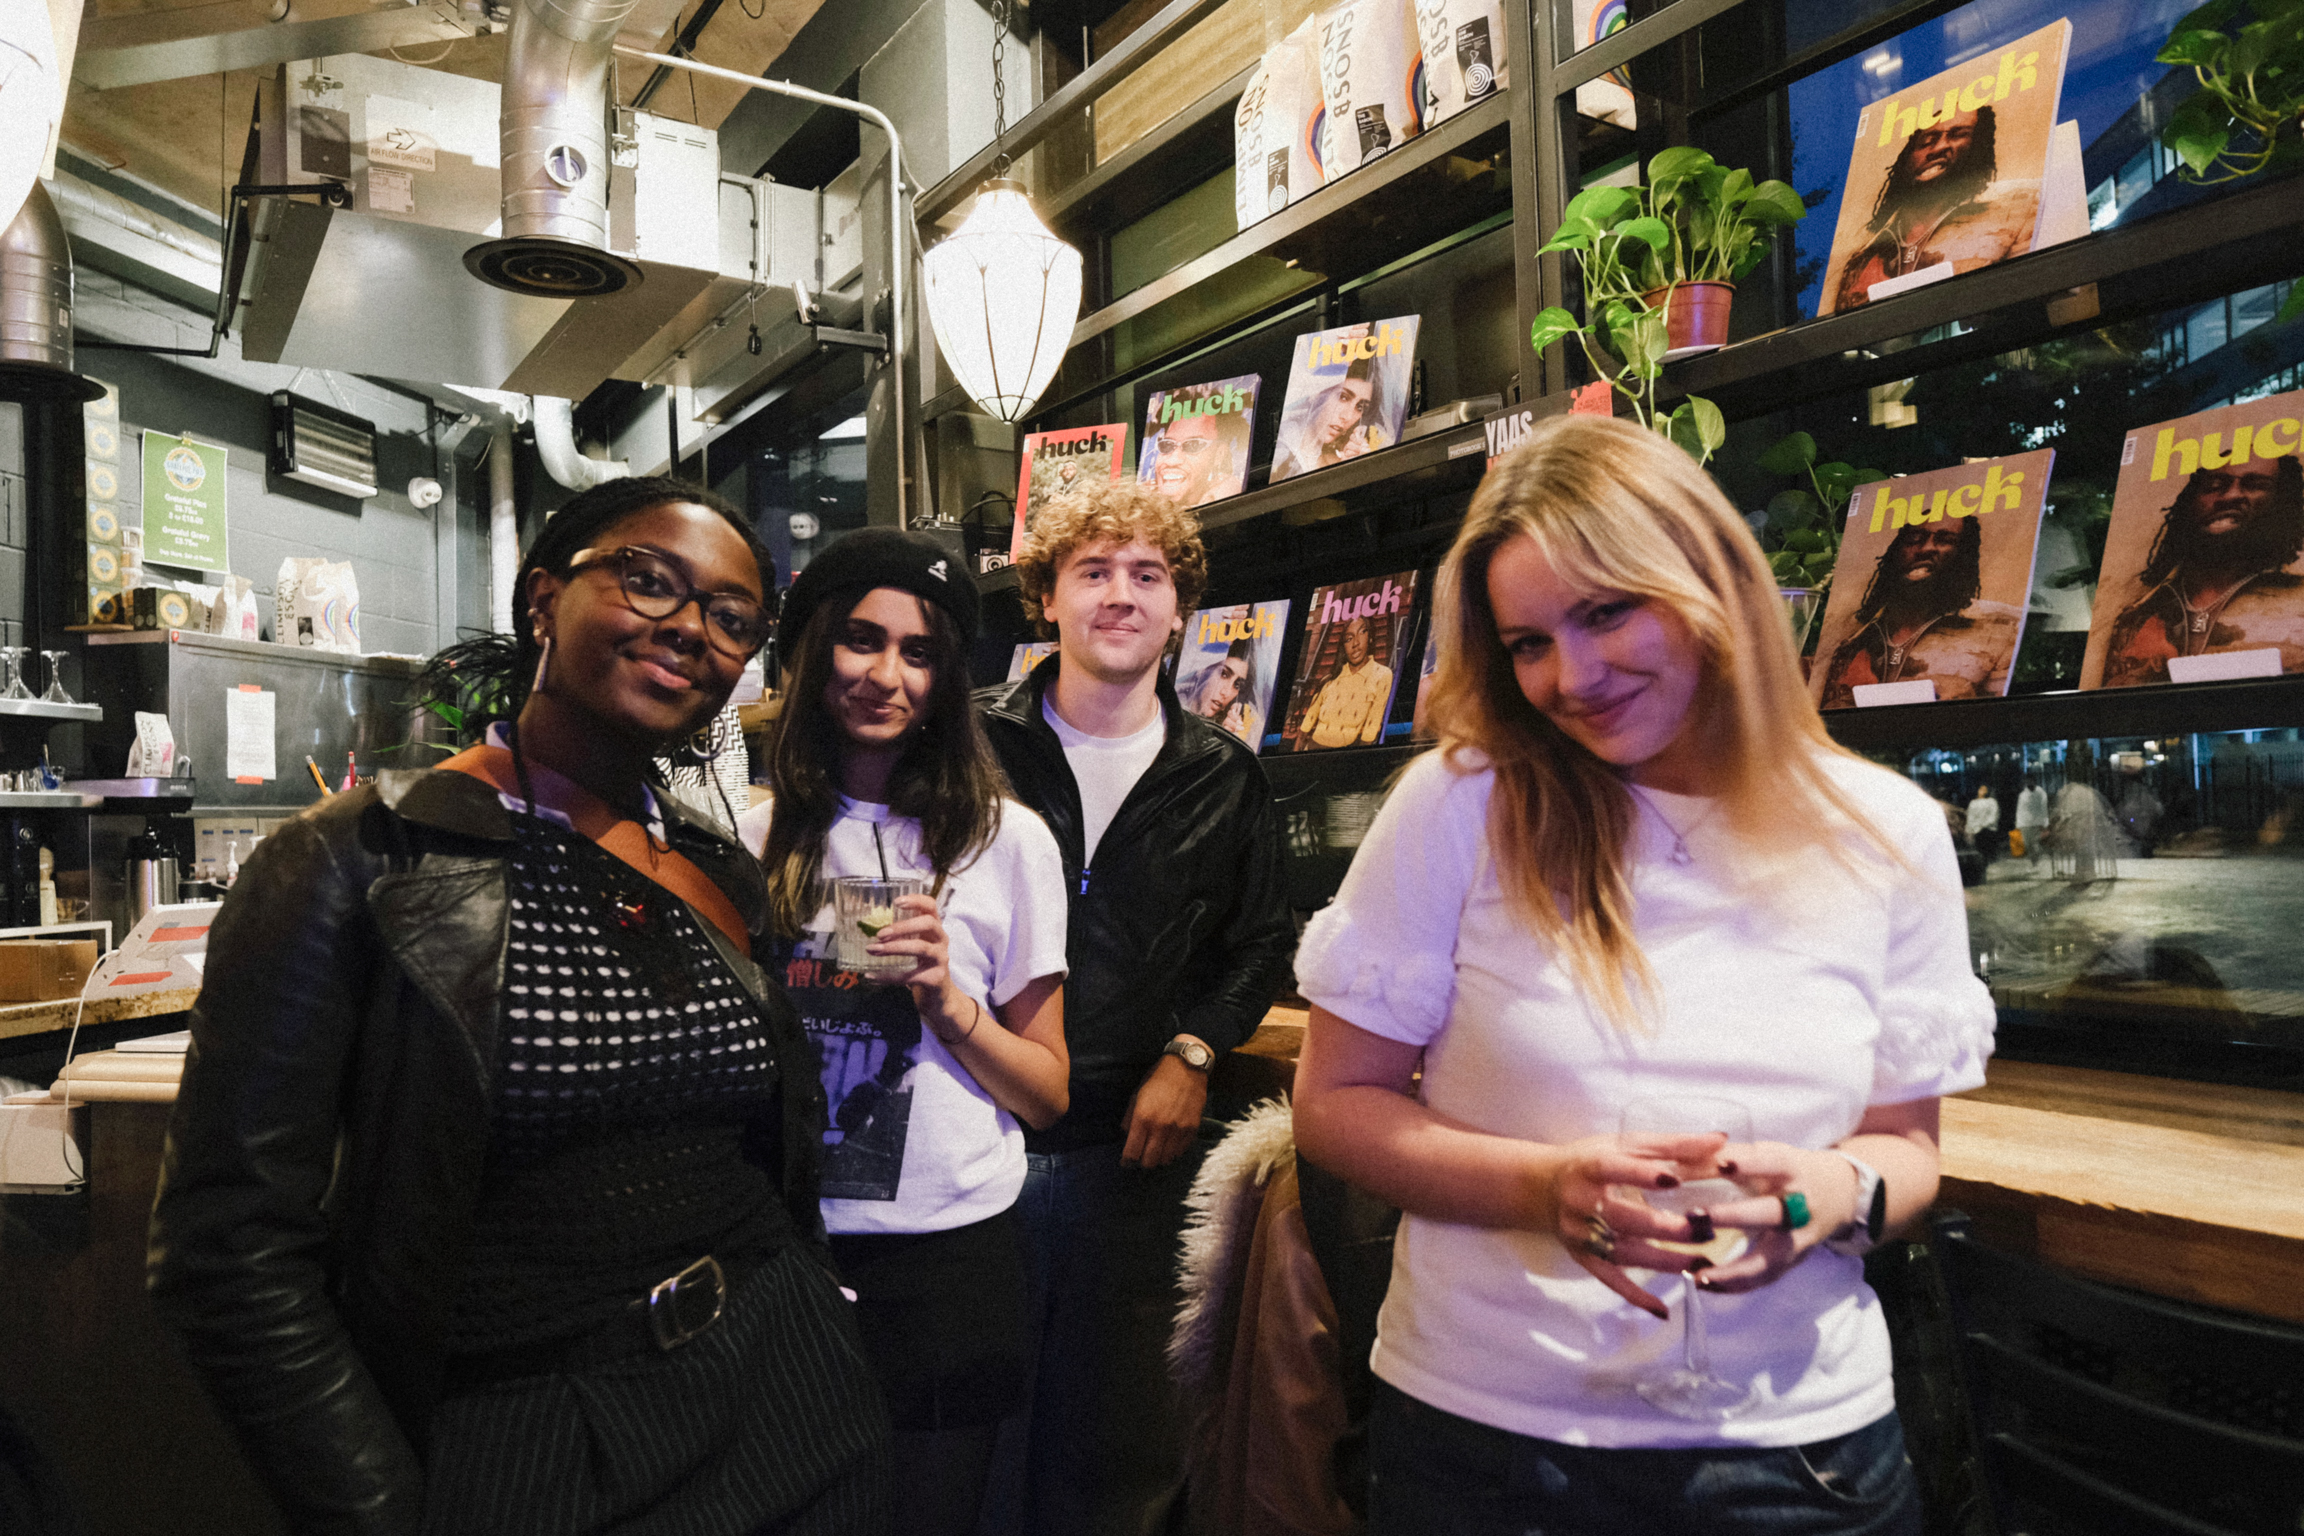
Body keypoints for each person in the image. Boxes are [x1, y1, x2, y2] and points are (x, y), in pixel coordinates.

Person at [1291, 415, 1995, 1534]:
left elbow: (1904, 1151)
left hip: (1800, 1459)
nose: (1570, 676)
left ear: (1708, 581)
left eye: (1606, 612)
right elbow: (1333, 1107)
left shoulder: (1887, 832)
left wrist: (1821, 1199)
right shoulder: (1461, 804)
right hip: (1490, 1445)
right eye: (1526, 644)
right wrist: (1542, 1189)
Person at [149, 476, 891, 1534]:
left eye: (731, 619)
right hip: (532, 1436)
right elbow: (227, 1249)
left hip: (790, 1397)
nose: (689, 629)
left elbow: (772, 1147)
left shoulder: (716, 866)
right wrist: (377, 1510)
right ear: (544, 598)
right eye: (648, 582)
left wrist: (820, 1319)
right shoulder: (354, 860)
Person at [977, 477, 1295, 1536]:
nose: (1122, 595)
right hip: (973, 1145)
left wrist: (1197, 1048)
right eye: (1094, 572)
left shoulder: (1225, 775)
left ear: (1178, 608)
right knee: (967, 1442)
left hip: (1135, 1163)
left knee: (1118, 1460)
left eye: (1147, 575)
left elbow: (1260, 943)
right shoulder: (971, 746)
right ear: (1048, 601)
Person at [741, 529, 1071, 1536]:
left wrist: (947, 1005)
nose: (886, 674)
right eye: (858, 640)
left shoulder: (1007, 841)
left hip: (946, 1260)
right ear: (810, 654)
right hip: (783, 1250)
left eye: (920, 651)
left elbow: (1048, 1092)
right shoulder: (750, 839)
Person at [2100, 456, 2304, 687]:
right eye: (2214, 486)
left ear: (2283, 503)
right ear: (2189, 503)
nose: (2230, 496)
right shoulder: (2138, 615)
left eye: (2255, 485)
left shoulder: (2299, 600)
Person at [1827, 105, 2040, 312]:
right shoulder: (1862, 259)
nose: (1939, 147)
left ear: (1978, 147)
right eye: (1928, 141)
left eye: (1958, 135)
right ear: (1905, 160)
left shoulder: (2014, 214)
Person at [1817, 517, 2020, 707]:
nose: (1927, 548)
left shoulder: (2003, 628)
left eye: (1945, 540)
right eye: (1914, 539)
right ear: (1895, 551)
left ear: (1963, 553)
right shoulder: (1851, 634)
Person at [1293, 615, 1396, 748]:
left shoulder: (1382, 675)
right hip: (1312, 751)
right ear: (1343, 646)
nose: (1355, 643)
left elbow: (1371, 728)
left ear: (1370, 637)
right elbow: (1306, 726)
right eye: (1349, 639)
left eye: (1362, 633)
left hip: (1343, 755)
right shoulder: (1329, 679)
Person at [1272, 360, 1385, 481]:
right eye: (1343, 397)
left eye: (1360, 407)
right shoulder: (1279, 448)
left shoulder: (1336, 461)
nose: (1347, 416)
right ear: (1317, 392)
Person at [1145, 406, 1248, 508]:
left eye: (1193, 445)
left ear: (1219, 455)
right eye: (1167, 445)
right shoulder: (1144, 496)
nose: (1172, 460)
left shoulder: (1227, 494)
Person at [1183, 634, 1262, 746]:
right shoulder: (1170, 706)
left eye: (1237, 685)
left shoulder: (1231, 725)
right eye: (1224, 674)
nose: (1226, 692)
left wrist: (1227, 742)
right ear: (1203, 669)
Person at [2015, 776, 2049, 864]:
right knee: (2027, 844)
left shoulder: (2041, 793)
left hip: (2036, 822)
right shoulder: (2022, 795)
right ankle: (2034, 859)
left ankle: (2036, 861)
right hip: (2025, 823)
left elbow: (2043, 808)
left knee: (2035, 843)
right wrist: (2018, 822)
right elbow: (2020, 809)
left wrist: (2045, 822)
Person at [1967, 783, 2002, 865]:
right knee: (1981, 852)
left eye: (1984, 789)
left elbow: (1993, 816)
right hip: (1977, 830)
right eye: (1981, 789)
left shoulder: (1992, 802)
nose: (1982, 791)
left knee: (1990, 852)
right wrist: (1970, 830)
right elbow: (1970, 817)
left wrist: (1983, 825)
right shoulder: (1973, 803)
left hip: (1989, 829)